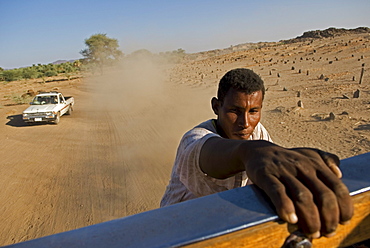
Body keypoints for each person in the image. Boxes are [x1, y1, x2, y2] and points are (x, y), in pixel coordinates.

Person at [160, 68, 353, 239]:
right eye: (234, 111)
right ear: (217, 107)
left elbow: (269, 163)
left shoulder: (258, 132)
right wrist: (250, 153)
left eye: (253, 111)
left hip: (224, 225)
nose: (245, 123)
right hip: (177, 230)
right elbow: (210, 154)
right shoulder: (194, 139)